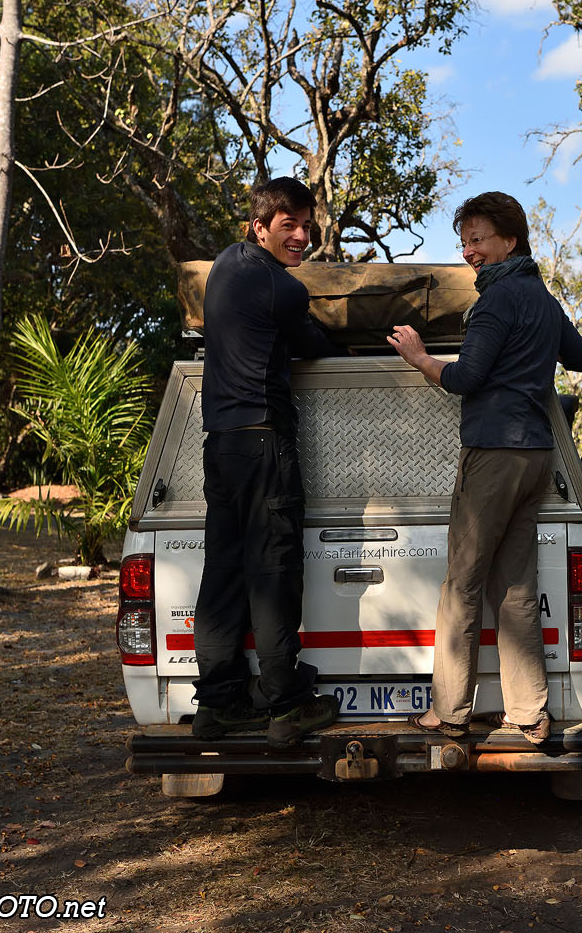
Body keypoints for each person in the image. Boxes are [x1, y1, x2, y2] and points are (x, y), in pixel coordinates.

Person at [387, 191, 582, 744]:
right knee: (516, 587)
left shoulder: (496, 299)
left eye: (478, 239)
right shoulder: (542, 299)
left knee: (463, 584)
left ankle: (450, 712)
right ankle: (528, 712)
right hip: (535, 455)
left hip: (494, 454)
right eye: (465, 241)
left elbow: (464, 379)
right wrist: (537, 348)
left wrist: (419, 357)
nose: (469, 251)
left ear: (511, 240)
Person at [192, 176, 341, 747]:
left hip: (221, 443)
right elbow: (316, 342)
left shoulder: (225, 267)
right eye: (289, 226)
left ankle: (220, 704)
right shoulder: (284, 288)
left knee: (223, 576)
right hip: (262, 443)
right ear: (259, 227)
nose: (302, 236)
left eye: (308, 225)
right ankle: (287, 703)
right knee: (273, 575)